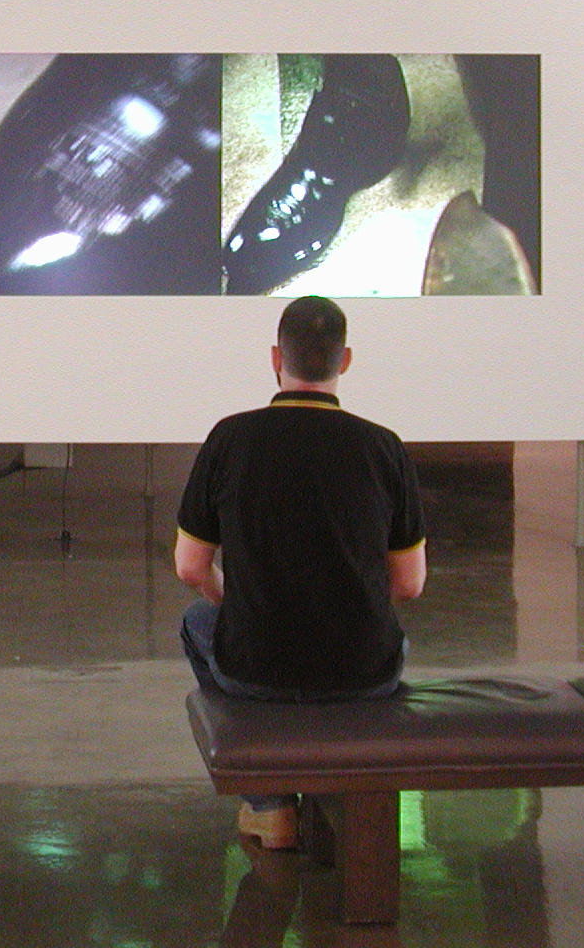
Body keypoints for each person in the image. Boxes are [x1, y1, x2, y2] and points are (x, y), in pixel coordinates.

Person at [173, 295, 428, 850]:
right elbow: (408, 584)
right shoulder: (384, 447)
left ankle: (268, 804)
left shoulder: (229, 438)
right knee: (373, 640)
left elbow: (191, 568)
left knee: (197, 623)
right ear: (346, 360)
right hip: (365, 670)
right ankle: (339, 780)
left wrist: (232, 600)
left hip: (257, 665)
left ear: (274, 359)